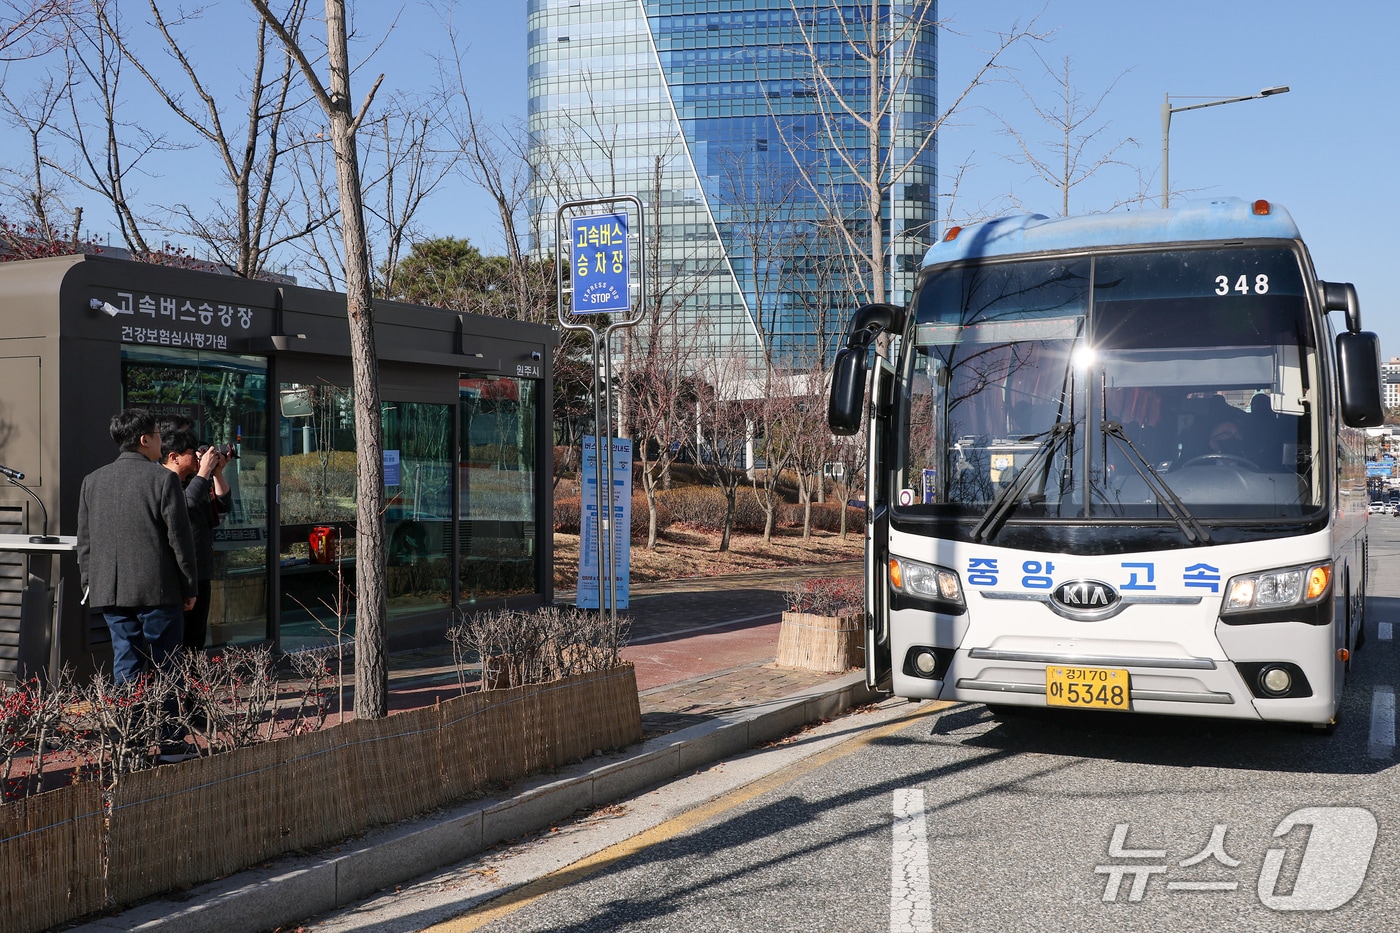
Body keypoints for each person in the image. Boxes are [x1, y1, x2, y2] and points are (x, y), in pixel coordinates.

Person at [76, 408, 198, 686]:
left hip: (110, 590)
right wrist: (190, 587)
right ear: (145, 440)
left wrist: (89, 583)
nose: (161, 441)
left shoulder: (92, 481)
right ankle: (166, 729)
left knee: (126, 662)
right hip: (159, 591)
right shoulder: (163, 479)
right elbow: (179, 538)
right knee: (167, 665)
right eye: (157, 435)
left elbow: (86, 542)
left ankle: (129, 727)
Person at [159, 427, 232, 652]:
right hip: (176, 573)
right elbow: (184, 507)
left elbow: (224, 504)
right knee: (174, 641)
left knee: (195, 639)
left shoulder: (196, 481)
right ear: (174, 456)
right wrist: (203, 473)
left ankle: (192, 685)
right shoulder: (162, 481)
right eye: (193, 451)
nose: (198, 457)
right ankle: (173, 686)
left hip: (200, 569)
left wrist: (217, 472)